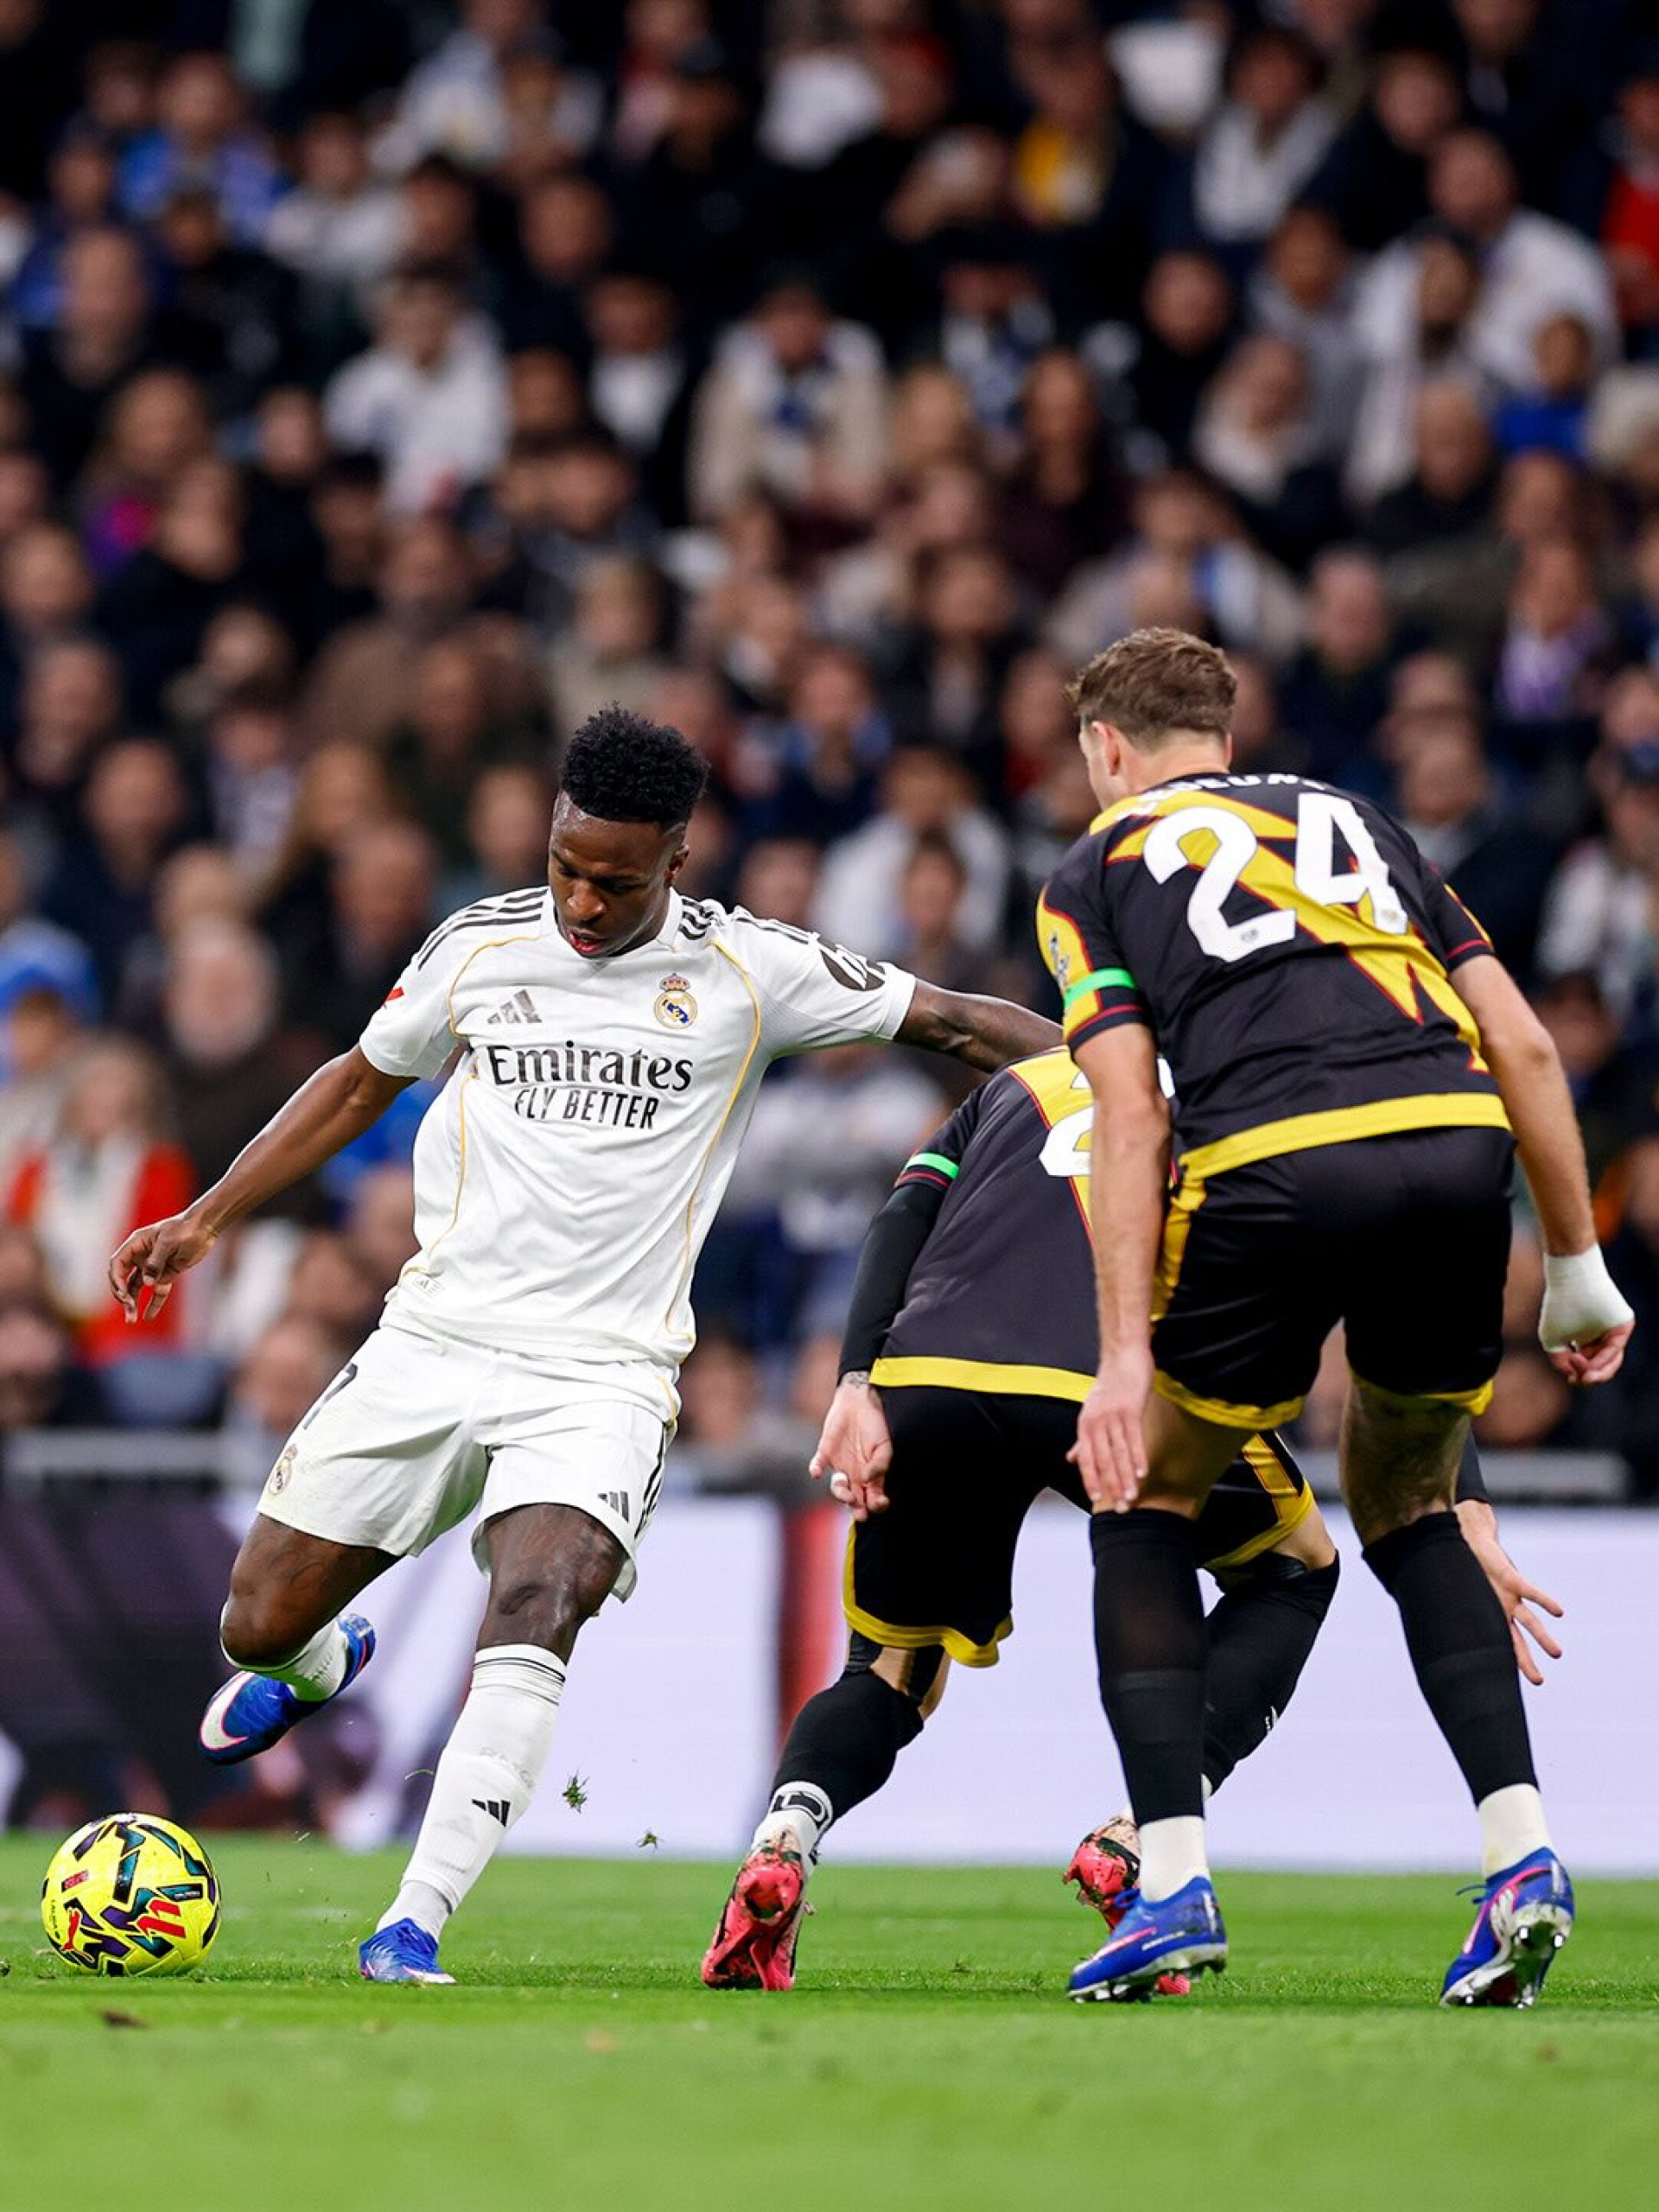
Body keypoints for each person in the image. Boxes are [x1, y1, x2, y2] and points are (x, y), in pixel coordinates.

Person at [107, 703, 1057, 1984]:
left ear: (678, 859)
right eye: (565, 865)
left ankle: (413, 1923)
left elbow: (949, 1019)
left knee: (538, 1603)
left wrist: (1122, 1069)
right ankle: (321, 1665)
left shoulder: (746, 969)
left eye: (615, 881)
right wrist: (208, 1217)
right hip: (434, 1339)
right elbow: (355, 1079)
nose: (582, 902)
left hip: (603, 1372)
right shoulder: (478, 946)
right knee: (258, 1622)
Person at [1035, 628, 1632, 2005]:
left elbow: (1129, 1112)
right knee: (1414, 1506)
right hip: (1455, 1148)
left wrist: (1123, 1359)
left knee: (1143, 1501)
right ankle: (1521, 1861)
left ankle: (1170, 1884)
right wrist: (1581, 1263)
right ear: (1227, 744)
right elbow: (1524, 1043)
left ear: (1107, 751)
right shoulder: (1356, 820)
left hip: (1274, 1167)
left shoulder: (1094, 870)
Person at [701, 1041, 1559, 1991]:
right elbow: (1381, 1301)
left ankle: (785, 1835)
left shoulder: (1016, 1082)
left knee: (892, 1670)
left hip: (929, 1378)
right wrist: (1462, 1497)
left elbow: (902, 1216)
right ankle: (1143, 1839)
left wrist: (856, 1379)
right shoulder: (1254, 1082)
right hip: (1112, 1380)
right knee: (1295, 1569)